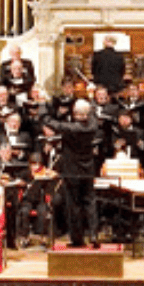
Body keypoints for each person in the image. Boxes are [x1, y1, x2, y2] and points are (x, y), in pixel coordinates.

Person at [44, 99, 100, 248]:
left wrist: (45, 109)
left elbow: (54, 125)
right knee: (90, 202)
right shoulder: (93, 125)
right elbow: (92, 114)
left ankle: (77, 239)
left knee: (74, 204)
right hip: (87, 170)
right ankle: (94, 234)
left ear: (75, 113)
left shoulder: (71, 128)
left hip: (72, 171)